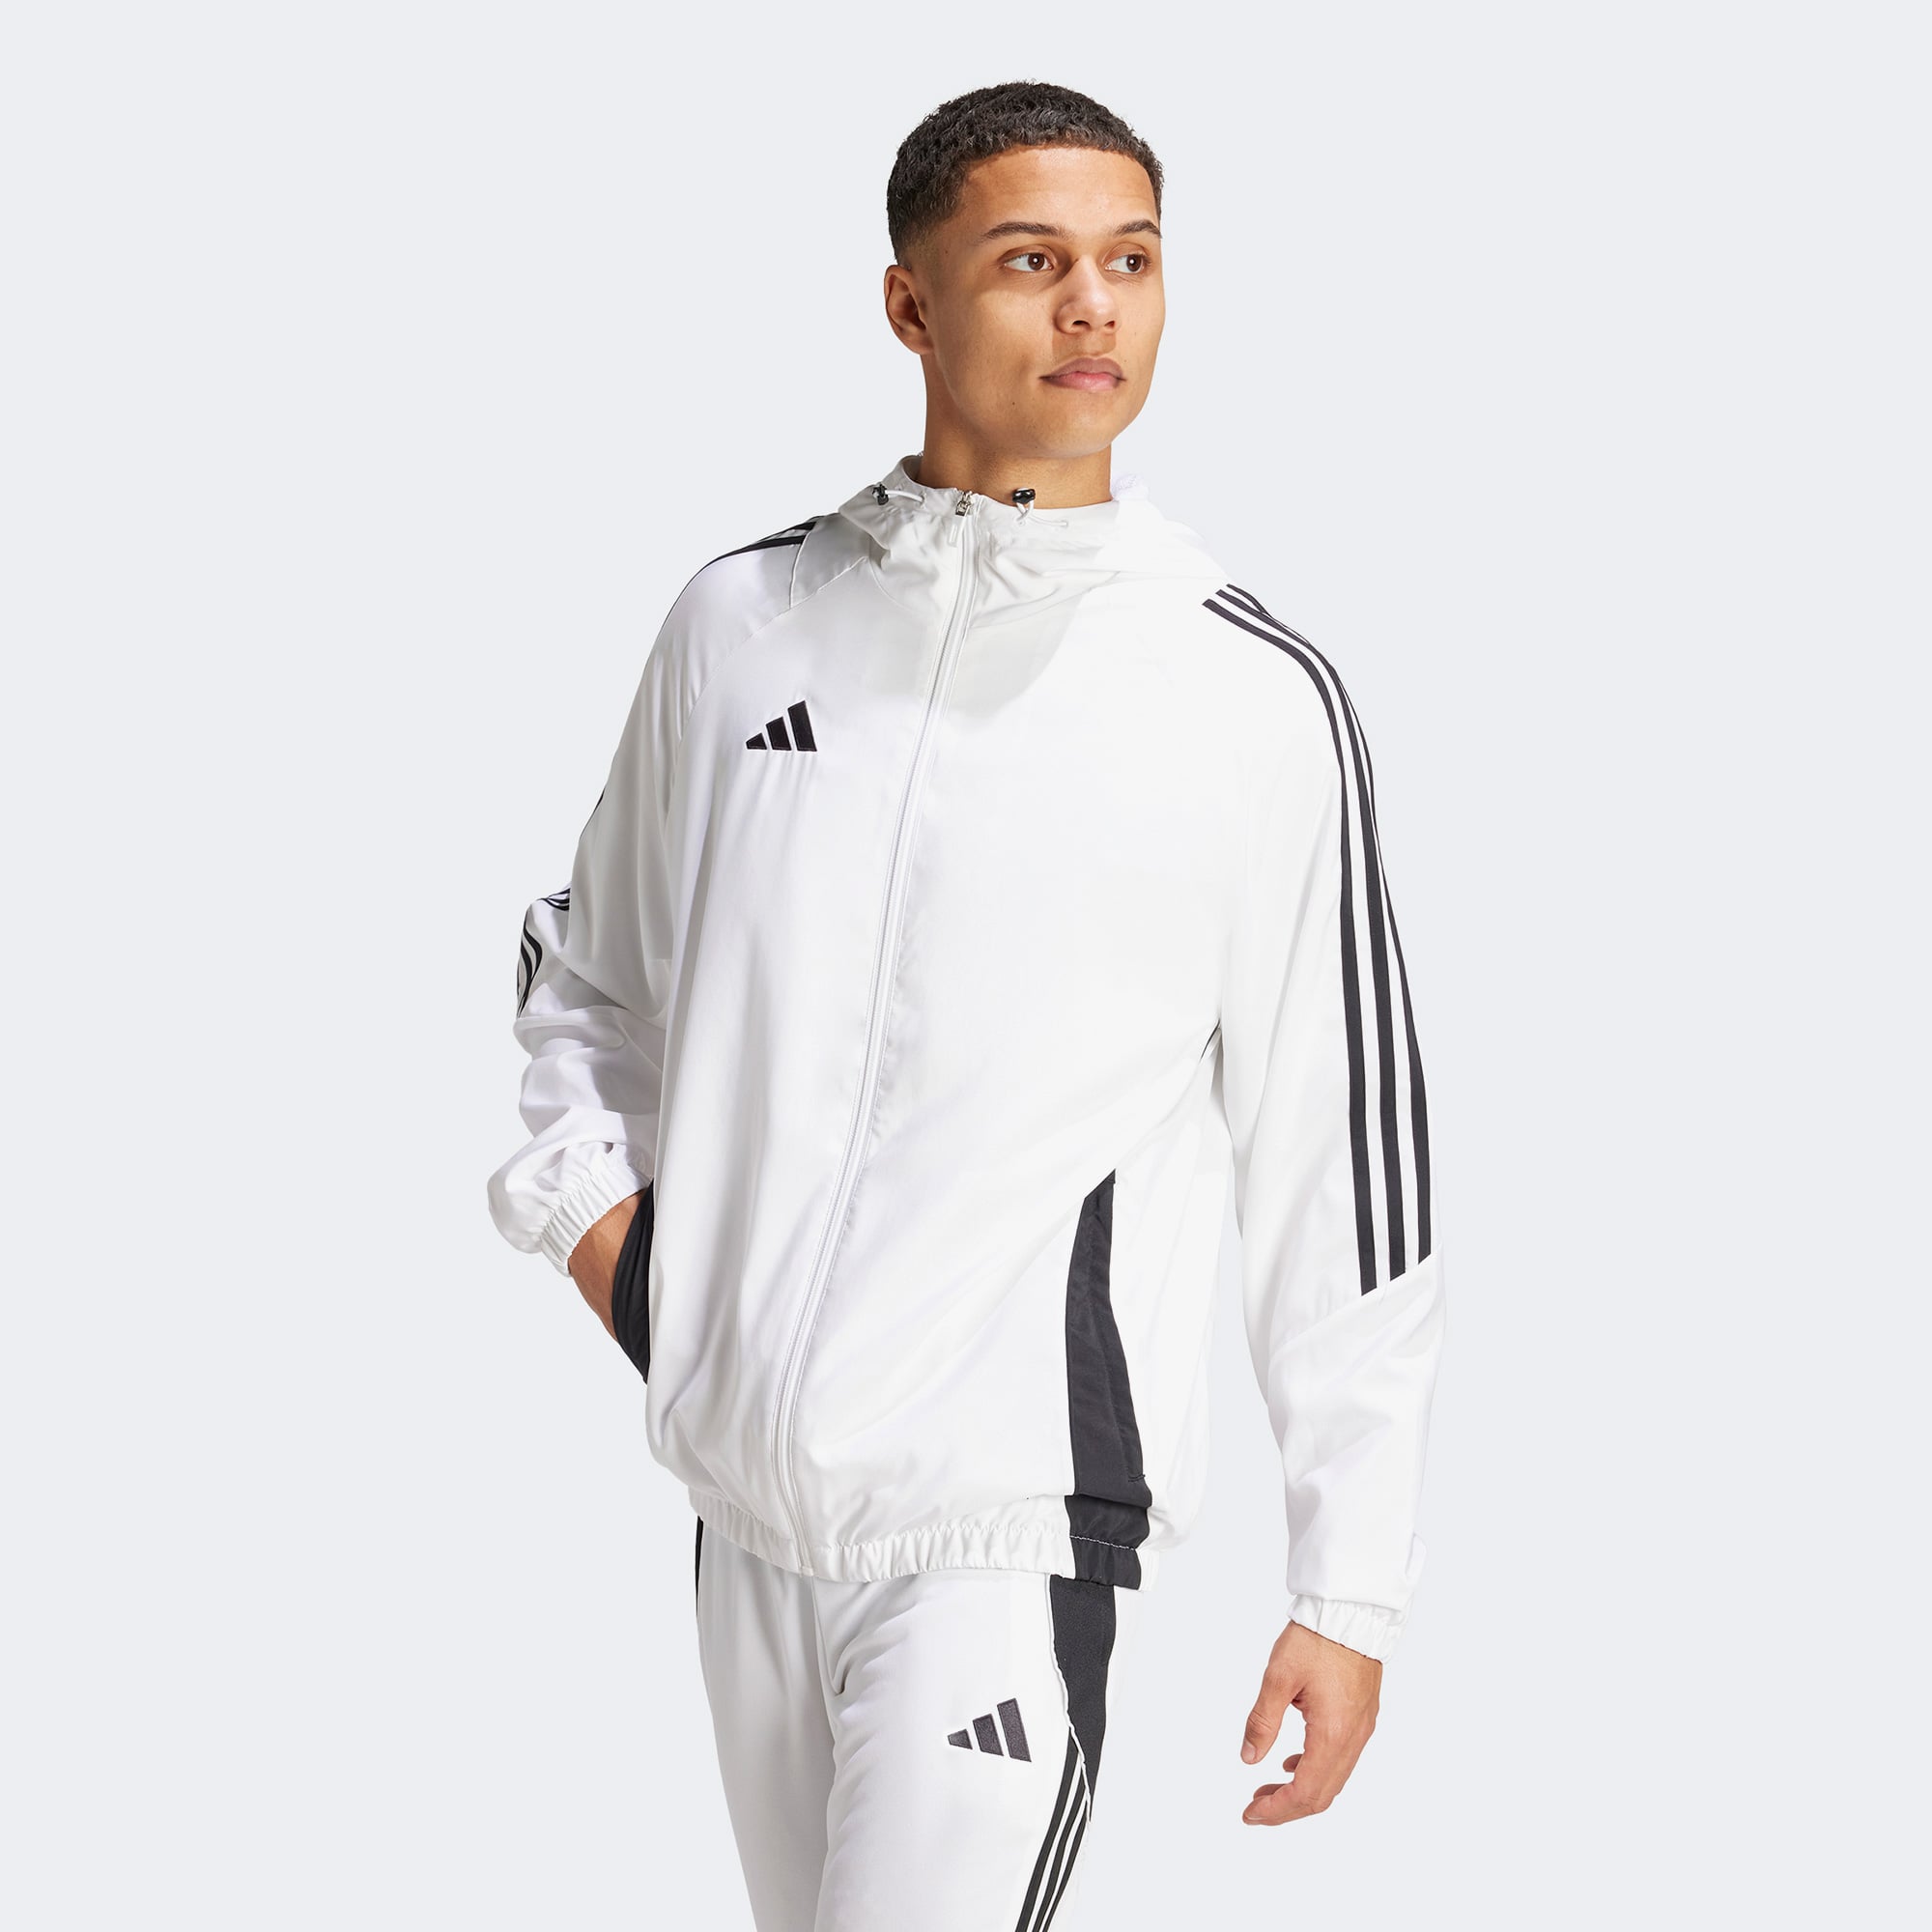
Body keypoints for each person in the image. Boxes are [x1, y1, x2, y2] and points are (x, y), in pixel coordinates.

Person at [486, 78, 1445, 1932]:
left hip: (1005, 1540)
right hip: (744, 1531)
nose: (1093, 307)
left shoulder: (1248, 697)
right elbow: (583, 979)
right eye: (1030, 262)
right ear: (910, 304)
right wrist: (631, 1261)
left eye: (1132, 262)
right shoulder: (743, 624)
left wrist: (1352, 1582)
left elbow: (1345, 1165)